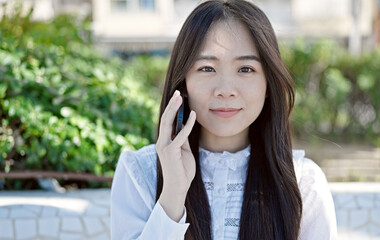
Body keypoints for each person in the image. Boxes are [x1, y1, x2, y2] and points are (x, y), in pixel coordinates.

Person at [110, 0, 337, 239]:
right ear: (183, 83)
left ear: (268, 83)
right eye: (207, 68)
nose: (226, 89)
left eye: (246, 69)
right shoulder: (139, 174)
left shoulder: (303, 183)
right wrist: (172, 196)